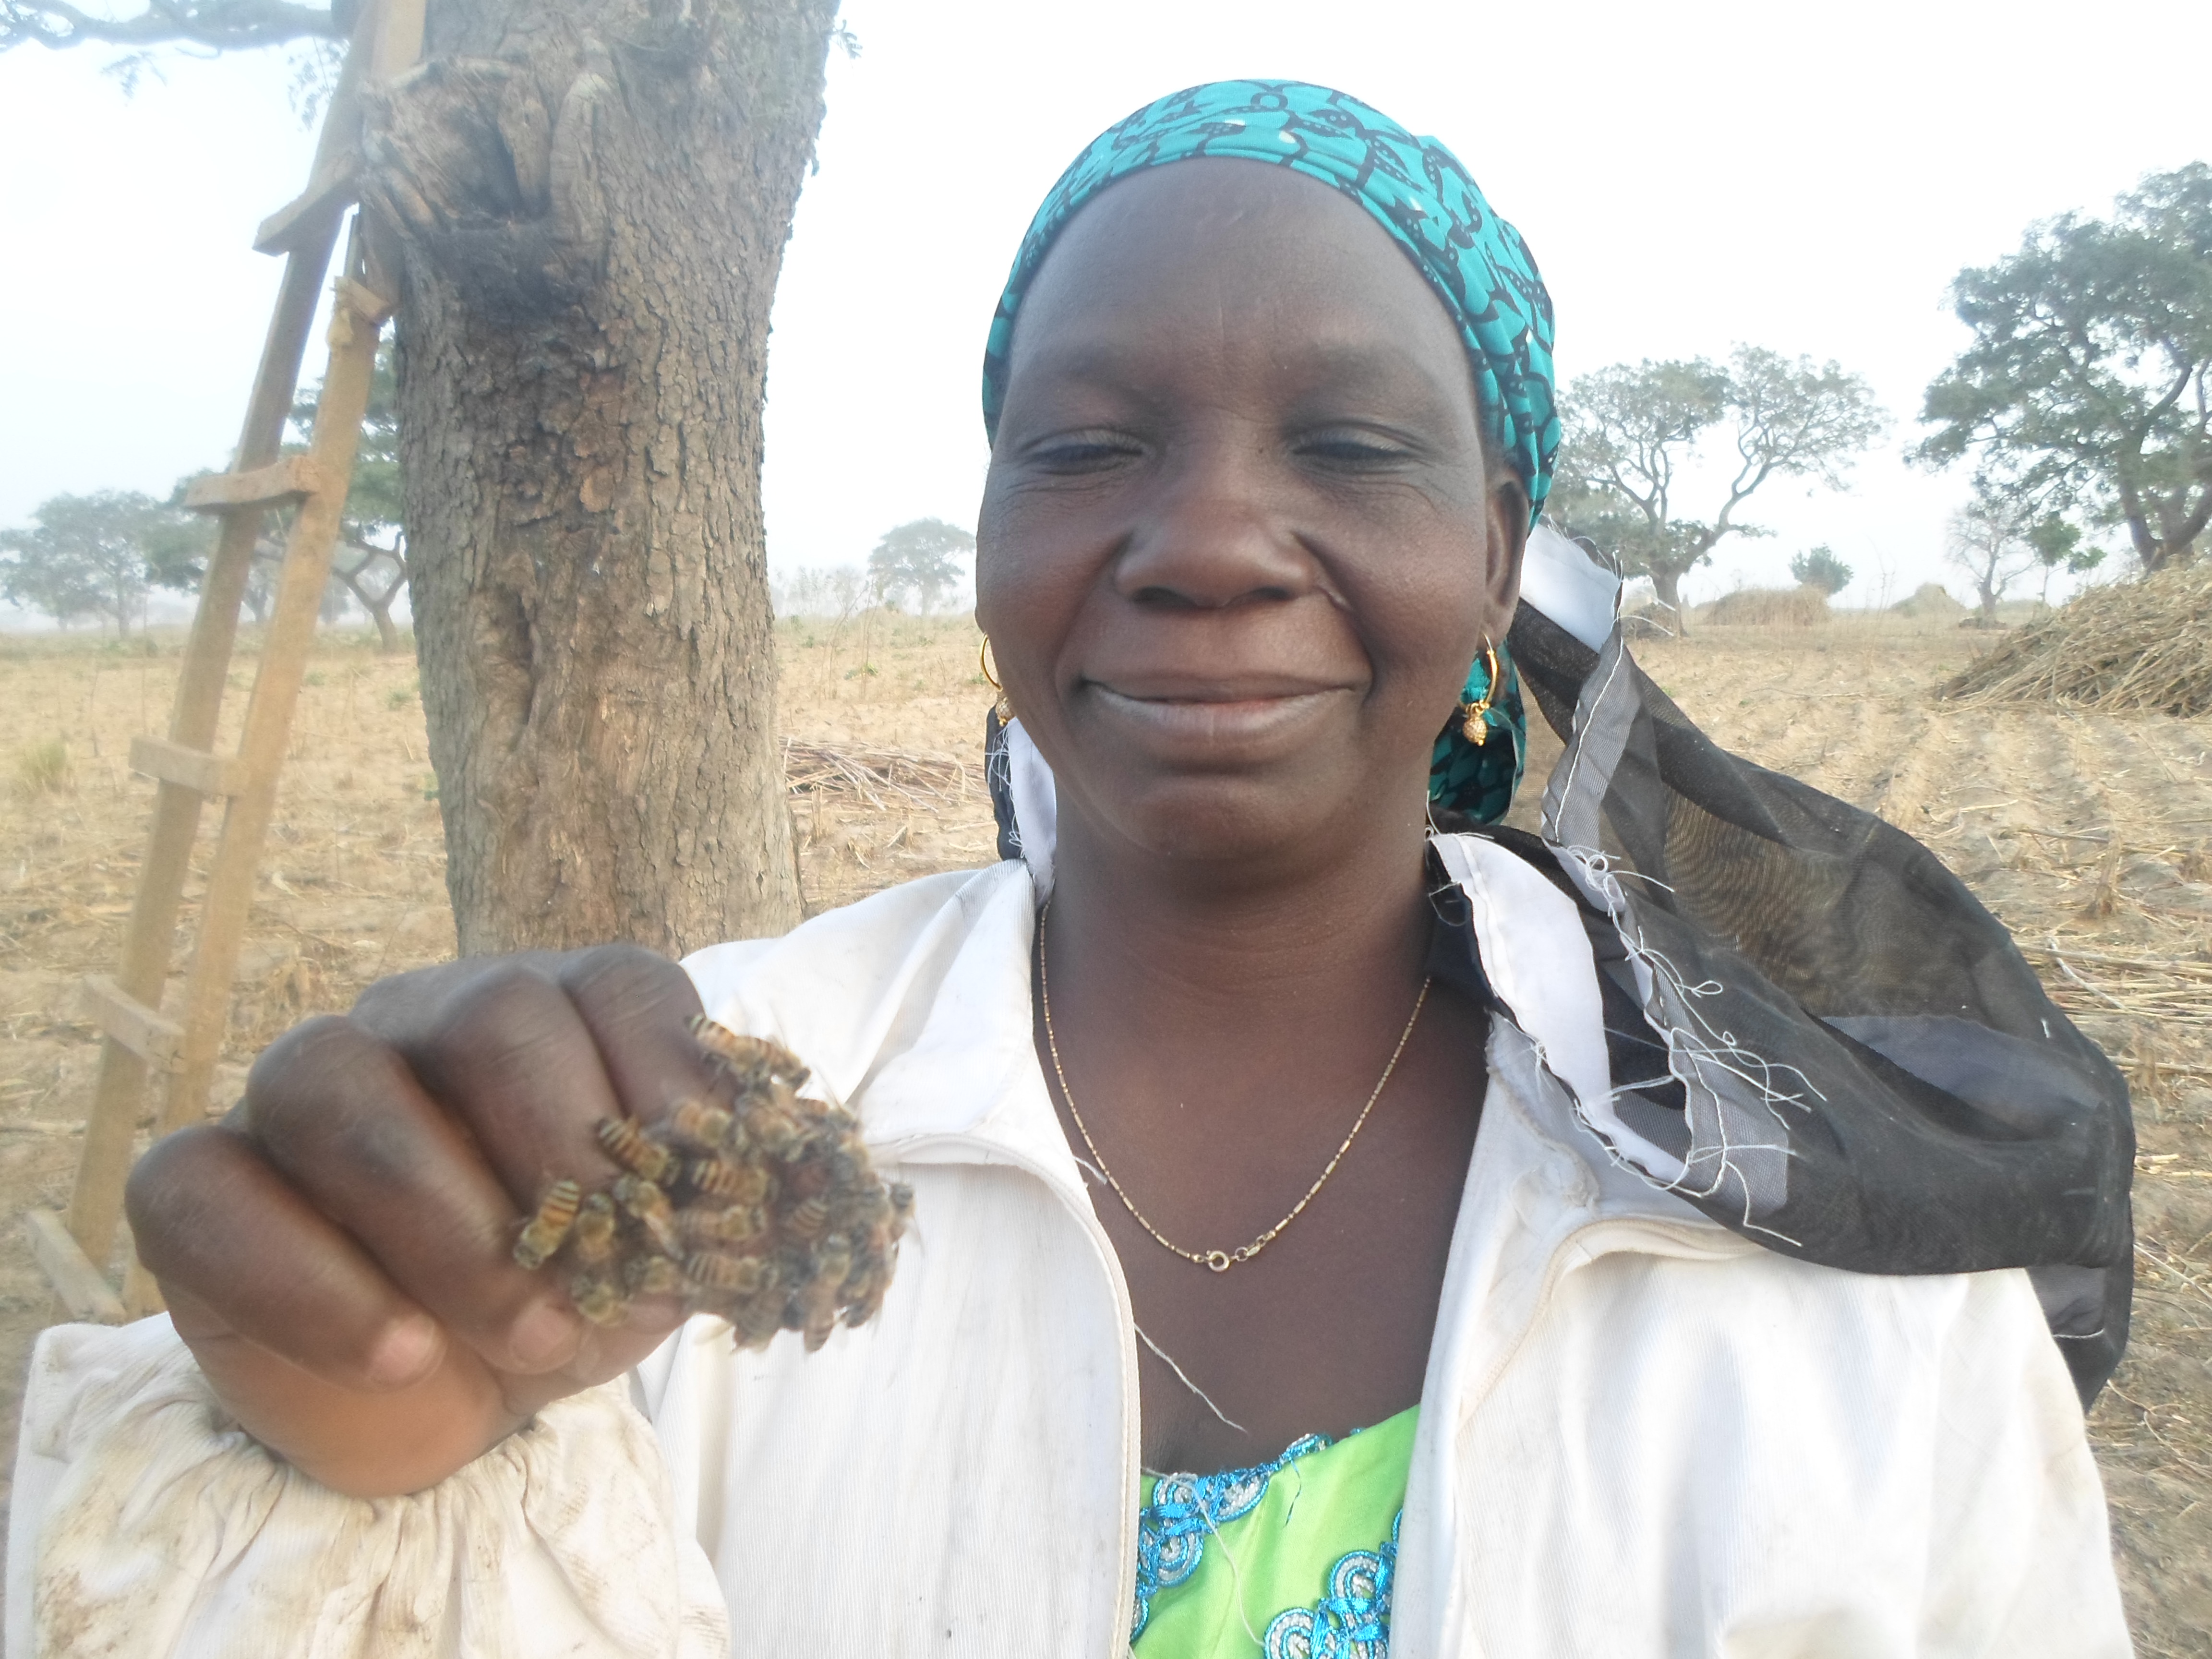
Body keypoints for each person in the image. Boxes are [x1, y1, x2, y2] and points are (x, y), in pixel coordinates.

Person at [9, 83, 2134, 1658]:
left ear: (1497, 558)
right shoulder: (687, 1147)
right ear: (995, 537)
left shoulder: (1844, 1252)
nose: (1205, 540)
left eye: (1351, 446)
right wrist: (343, 1487)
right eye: (1088, 444)